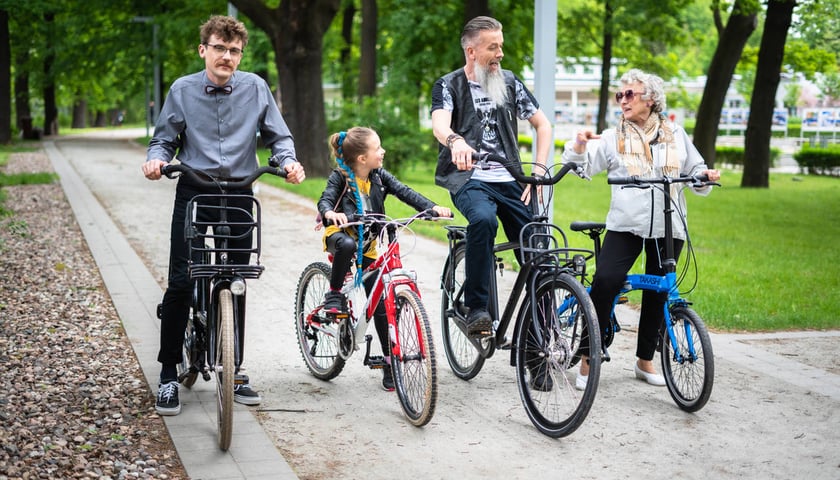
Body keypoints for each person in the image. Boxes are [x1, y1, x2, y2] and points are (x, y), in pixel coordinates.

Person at [142, 15, 306, 416]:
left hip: (238, 192)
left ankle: (234, 369)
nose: (227, 57)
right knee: (182, 281)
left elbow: (278, 136)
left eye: (234, 51)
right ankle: (167, 374)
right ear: (204, 50)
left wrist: (288, 161)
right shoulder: (182, 90)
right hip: (194, 189)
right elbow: (164, 138)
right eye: (219, 48)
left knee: (236, 282)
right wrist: (156, 160)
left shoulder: (256, 88)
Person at [562, 68, 720, 391]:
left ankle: (645, 359)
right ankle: (588, 356)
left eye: (630, 94)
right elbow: (585, 165)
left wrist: (704, 177)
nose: (623, 100)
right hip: (627, 223)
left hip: (668, 222)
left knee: (659, 290)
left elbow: (694, 170)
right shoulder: (613, 135)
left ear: (651, 99)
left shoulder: (675, 134)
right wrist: (578, 147)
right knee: (605, 281)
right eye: (620, 95)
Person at [317, 127, 451, 391]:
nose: (383, 152)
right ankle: (334, 293)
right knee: (346, 243)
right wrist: (329, 213)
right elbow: (326, 200)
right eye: (377, 148)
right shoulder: (340, 177)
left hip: (367, 248)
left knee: (379, 303)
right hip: (342, 237)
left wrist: (431, 207)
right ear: (362, 159)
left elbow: (405, 192)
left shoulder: (379, 176)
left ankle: (390, 363)